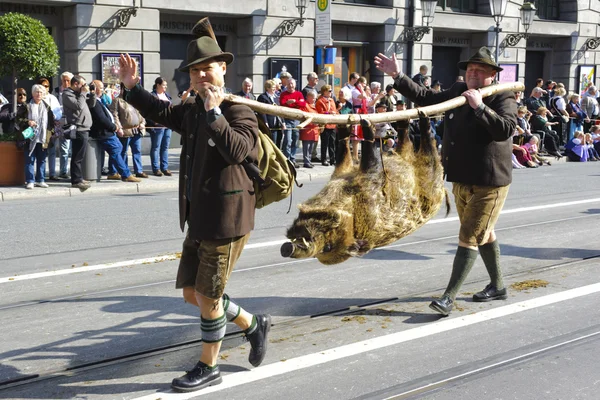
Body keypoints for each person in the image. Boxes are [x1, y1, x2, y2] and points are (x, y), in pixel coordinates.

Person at [117, 19, 270, 392]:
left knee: (209, 297)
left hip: (227, 218)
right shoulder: (194, 109)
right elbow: (163, 113)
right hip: (199, 216)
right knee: (193, 293)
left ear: (223, 69)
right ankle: (252, 324)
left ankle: (208, 365)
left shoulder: (238, 110)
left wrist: (217, 113)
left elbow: (237, 149)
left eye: (208, 68)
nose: (201, 75)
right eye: (196, 70)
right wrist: (132, 88)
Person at [375, 46, 517, 316]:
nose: (472, 73)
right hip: (461, 177)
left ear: (492, 74)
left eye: (480, 70)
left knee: (469, 236)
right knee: (483, 232)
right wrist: (398, 75)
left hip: (490, 181)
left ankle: (448, 297)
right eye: (470, 69)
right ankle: (498, 286)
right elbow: (427, 98)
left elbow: (505, 130)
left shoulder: (502, 95)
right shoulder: (457, 89)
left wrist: (479, 106)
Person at [89, 80, 141, 183]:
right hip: (104, 132)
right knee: (116, 149)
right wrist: (113, 127)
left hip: (108, 131)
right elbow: (101, 118)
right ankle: (125, 174)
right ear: (95, 89)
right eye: (101, 88)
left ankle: (114, 172)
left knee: (118, 148)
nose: (103, 90)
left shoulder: (98, 100)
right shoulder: (93, 101)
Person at [16, 84, 55, 189]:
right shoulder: (26, 105)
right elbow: (18, 119)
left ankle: (40, 180)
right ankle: (30, 181)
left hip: (42, 138)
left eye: (41, 92)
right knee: (30, 159)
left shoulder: (47, 107)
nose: (39, 94)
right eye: (37, 92)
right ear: (33, 94)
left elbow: (51, 123)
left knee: (42, 159)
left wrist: (50, 133)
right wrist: (28, 122)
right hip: (30, 137)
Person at [62, 75, 95, 191]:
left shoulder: (79, 94)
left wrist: (92, 93)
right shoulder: (67, 94)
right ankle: (76, 180)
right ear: (76, 84)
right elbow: (78, 106)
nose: (84, 87)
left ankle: (79, 178)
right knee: (77, 156)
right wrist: (83, 94)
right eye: (82, 84)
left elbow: (91, 105)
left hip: (85, 127)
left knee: (80, 155)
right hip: (78, 128)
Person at [110, 85, 148, 178]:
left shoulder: (135, 100)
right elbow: (114, 115)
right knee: (123, 152)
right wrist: (118, 128)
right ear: (122, 89)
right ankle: (123, 171)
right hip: (125, 131)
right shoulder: (117, 100)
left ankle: (138, 170)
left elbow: (141, 113)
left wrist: (143, 123)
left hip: (137, 130)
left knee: (137, 151)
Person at [36, 78, 62, 181]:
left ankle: (52, 173)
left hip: (50, 128)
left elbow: (58, 112)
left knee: (52, 151)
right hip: (39, 129)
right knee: (40, 152)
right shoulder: (35, 98)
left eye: (46, 86)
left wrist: (53, 116)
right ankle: (40, 174)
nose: (44, 88)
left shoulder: (52, 98)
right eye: (42, 86)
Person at [148, 77, 173, 176]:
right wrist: (153, 122)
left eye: (166, 85)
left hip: (167, 125)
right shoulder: (152, 96)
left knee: (165, 147)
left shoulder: (167, 96)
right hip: (158, 126)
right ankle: (156, 168)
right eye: (163, 85)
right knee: (156, 147)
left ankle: (164, 167)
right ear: (158, 85)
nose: (165, 87)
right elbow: (147, 110)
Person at [279, 78, 306, 167]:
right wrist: (288, 103)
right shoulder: (283, 94)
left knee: (295, 140)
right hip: (287, 120)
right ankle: (286, 159)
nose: (291, 85)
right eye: (289, 84)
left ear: (295, 85)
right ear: (286, 85)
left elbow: (302, 104)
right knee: (288, 140)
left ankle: (292, 158)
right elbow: (282, 104)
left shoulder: (299, 94)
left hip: (296, 120)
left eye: (292, 84)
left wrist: (294, 102)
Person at [53, 71, 74, 180]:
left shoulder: (74, 91)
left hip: (72, 122)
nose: (66, 82)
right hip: (60, 122)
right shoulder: (56, 91)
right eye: (64, 80)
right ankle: (63, 171)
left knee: (72, 148)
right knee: (64, 148)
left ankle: (73, 170)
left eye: (68, 80)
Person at [257, 79, 284, 147]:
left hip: (278, 124)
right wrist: (265, 122)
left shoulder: (276, 97)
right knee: (272, 142)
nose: (275, 89)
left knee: (279, 142)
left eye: (275, 88)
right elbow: (261, 111)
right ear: (267, 88)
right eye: (273, 88)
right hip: (270, 124)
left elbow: (280, 110)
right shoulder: (262, 97)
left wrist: (283, 122)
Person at [315, 84, 337, 166]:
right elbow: (320, 112)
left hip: (333, 124)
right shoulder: (320, 101)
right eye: (329, 91)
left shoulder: (331, 100)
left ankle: (332, 159)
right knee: (325, 143)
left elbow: (334, 110)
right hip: (325, 125)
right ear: (324, 92)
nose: (331, 92)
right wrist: (329, 112)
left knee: (332, 143)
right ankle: (323, 159)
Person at [300, 90, 319, 168]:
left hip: (314, 130)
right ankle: (306, 161)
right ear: (308, 97)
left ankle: (309, 160)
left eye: (315, 98)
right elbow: (304, 117)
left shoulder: (314, 105)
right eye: (313, 98)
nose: (314, 99)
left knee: (311, 147)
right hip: (307, 129)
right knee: (306, 147)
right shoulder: (305, 105)